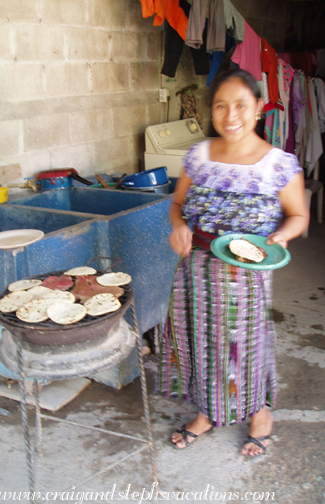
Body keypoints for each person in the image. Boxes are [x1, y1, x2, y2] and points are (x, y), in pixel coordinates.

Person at [156, 69, 309, 456]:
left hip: (245, 275)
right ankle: (208, 412)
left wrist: (282, 235)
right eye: (221, 106)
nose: (230, 115)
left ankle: (259, 413)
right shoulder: (198, 155)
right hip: (195, 270)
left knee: (245, 346)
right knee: (198, 341)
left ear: (259, 107)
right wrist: (178, 227)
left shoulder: (279, 165)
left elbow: (298, 216)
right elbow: (177, 205)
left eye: (240, 104)